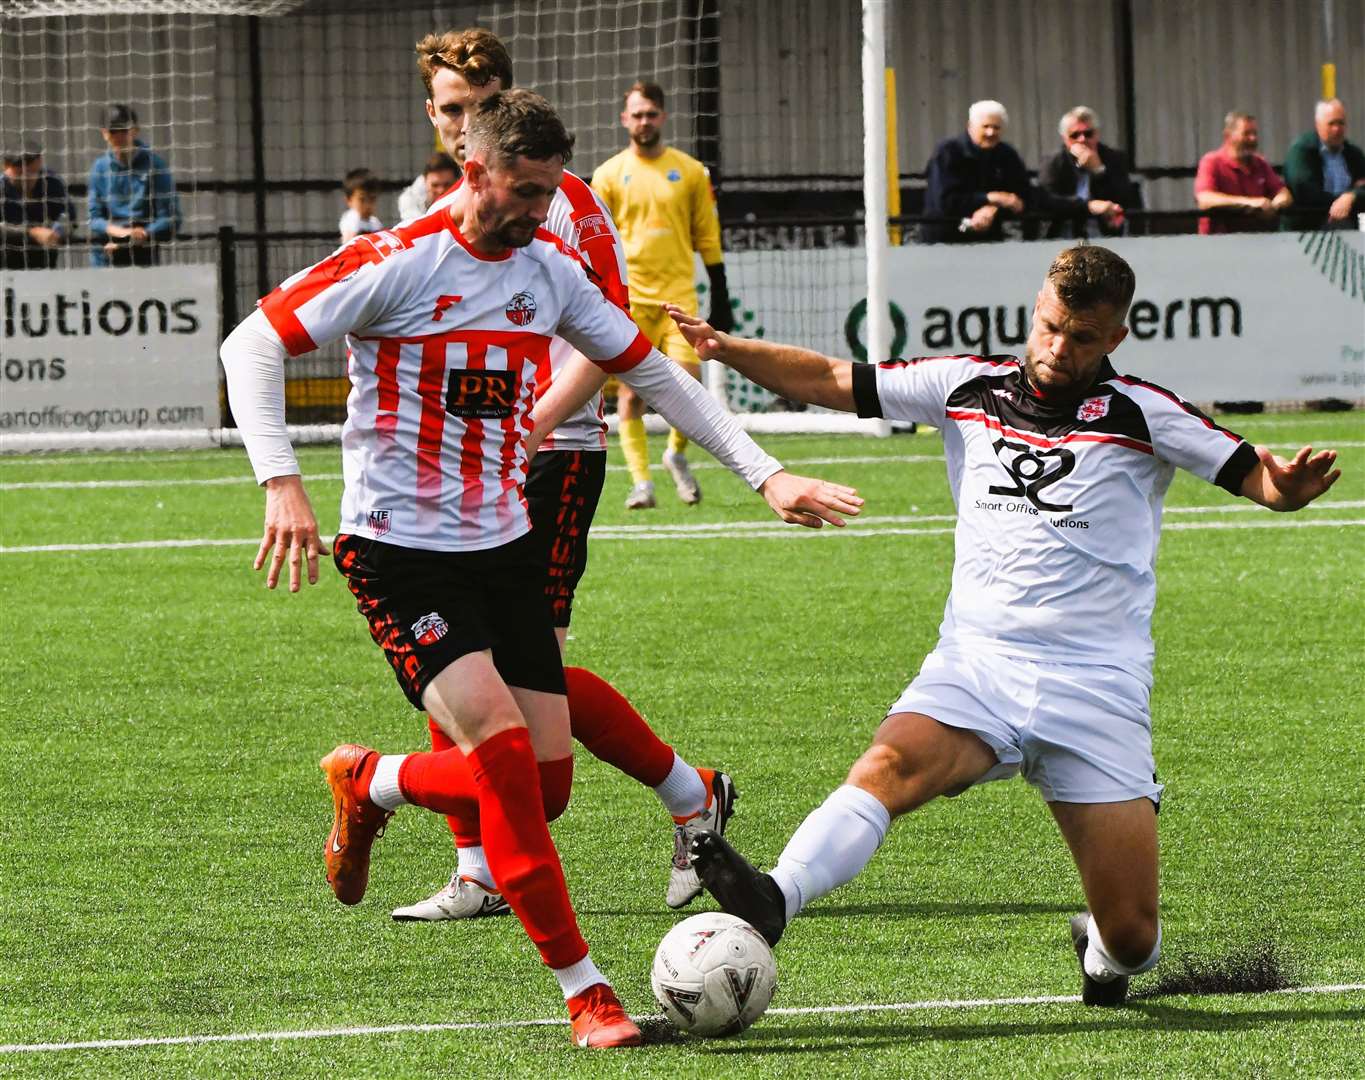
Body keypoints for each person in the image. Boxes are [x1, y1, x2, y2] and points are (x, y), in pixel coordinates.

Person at [219, 89, 860, 1048]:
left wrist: (764, 474)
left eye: (545, 192)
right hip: (397, 551)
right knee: (509, 763)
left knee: (545, 788)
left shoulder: (549, 269)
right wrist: (282, 481)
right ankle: (585, 992)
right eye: (521, 191)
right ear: (470, 169)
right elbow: (252, 341)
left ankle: (374, 779)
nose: (534, 210)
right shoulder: (398, 260)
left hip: (502, 544)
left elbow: (651, 372)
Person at [664, 244, 1341, 1007]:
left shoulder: (1143, 413)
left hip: (1096, 687)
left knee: (1134, 937)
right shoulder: (965, 385)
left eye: (1081, 337)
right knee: (884, 770)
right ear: (1034, 312)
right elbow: (830, 380)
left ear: (1114, 337)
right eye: (1049, 327)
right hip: (978, 666)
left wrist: (1283, 488)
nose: (1057, 349)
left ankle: (1101, 959)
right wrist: (727, 349)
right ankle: (775, 896)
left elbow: (1257, 476)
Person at [384, 27, 809, 926]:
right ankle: (481, 865)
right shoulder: (439, 208)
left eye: (476, 107)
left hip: (554, 457)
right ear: (434, 115)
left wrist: (533, 424)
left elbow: (611, 338)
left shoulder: (561, 203)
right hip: (465, 476)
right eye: (448, 111)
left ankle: (684, 791)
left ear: (505, 98)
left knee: (517, 674)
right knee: (457, 665)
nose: (462, 127)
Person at [591, 79, 734, 509]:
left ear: (663, 117)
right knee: (630, 394)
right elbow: (596, 240)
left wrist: (720, 288)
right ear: (624, 120)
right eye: (636, 114)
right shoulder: (608, 175)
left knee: (687, 386)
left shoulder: (690, 171)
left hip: (677, 297)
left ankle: (675, 454)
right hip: (630, 301)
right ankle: (641, 482)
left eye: (651, 114)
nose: (644, 121)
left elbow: (706, 234)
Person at [921, 100, 1031, 244]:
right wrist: (991, 198)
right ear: (970, 126)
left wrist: (992, 208)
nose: (990, 132)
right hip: (945, 241)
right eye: (985, 126)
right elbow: (945, 202)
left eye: (996, 127)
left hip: (989, 241)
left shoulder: (1007, 154)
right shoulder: (947, 152)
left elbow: (1022, 193)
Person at [87, 103, 181, 267]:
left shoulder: (155, 165)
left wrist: (142, 234)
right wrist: (124, 234)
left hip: (143, 253)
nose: (119, 136)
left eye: (124, 130)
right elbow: (94, 219)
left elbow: (171, 218)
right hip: (106, 255)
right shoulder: (99, 168)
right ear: (104, 134)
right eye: (113, 131)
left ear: (135, 130)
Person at [1038, 107, 1140, 238]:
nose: (1082, 139)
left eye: (1088, 134)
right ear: (1065, 139)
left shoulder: (1113, 158)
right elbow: (1046, 199)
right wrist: (1088, 206)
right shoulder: (1053, 162)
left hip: (1105, 232)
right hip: (1064, 231)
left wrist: (1098, 170)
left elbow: (1125, 197)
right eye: (1074, 135)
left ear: (1097, 134)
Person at [1194, 111, 1293, 234]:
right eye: (1246, 134)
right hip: (1219, 244)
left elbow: (1283, 192)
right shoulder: (1211, 162)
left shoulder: (1260, 163)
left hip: (1256, 242)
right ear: (1228, 136)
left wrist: (1274, 205)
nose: (1253, 138)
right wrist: (1249, 203)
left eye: (1254, 134)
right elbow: (1205, 199)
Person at [1282, 99, 1365, 231]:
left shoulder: (1353, 154)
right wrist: (1341, 202)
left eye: (1341, 123)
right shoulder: (1301, 151)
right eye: (1331, 124)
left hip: (1348, 228)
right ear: (1318, 125)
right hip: (1307, 231)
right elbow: (1306, 192)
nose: (1337, 129)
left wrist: (1351, 196)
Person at [1, 136, 75, 271]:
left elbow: (69, 216)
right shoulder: (1, 188)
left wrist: (58, 231)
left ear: (39, 162)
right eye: (18, 169)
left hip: (45, 263)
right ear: (6, 167)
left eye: (31, 170)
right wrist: (32, 232)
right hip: (7, 266)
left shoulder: (52, 182)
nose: (25, 176)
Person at [397, 151, 459, 223]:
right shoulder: (410, 199)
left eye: (447, 185)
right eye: (435, 185)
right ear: (425, 181)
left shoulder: (467, 195)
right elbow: (418, 227)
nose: (441, 190)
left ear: (457, 182)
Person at [338, 168, 383, 243]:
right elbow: (349, 244)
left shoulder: (375, 222)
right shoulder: (351, 219)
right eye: (362, 199)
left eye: (372, 199)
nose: (367, 205)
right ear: (349, 200)